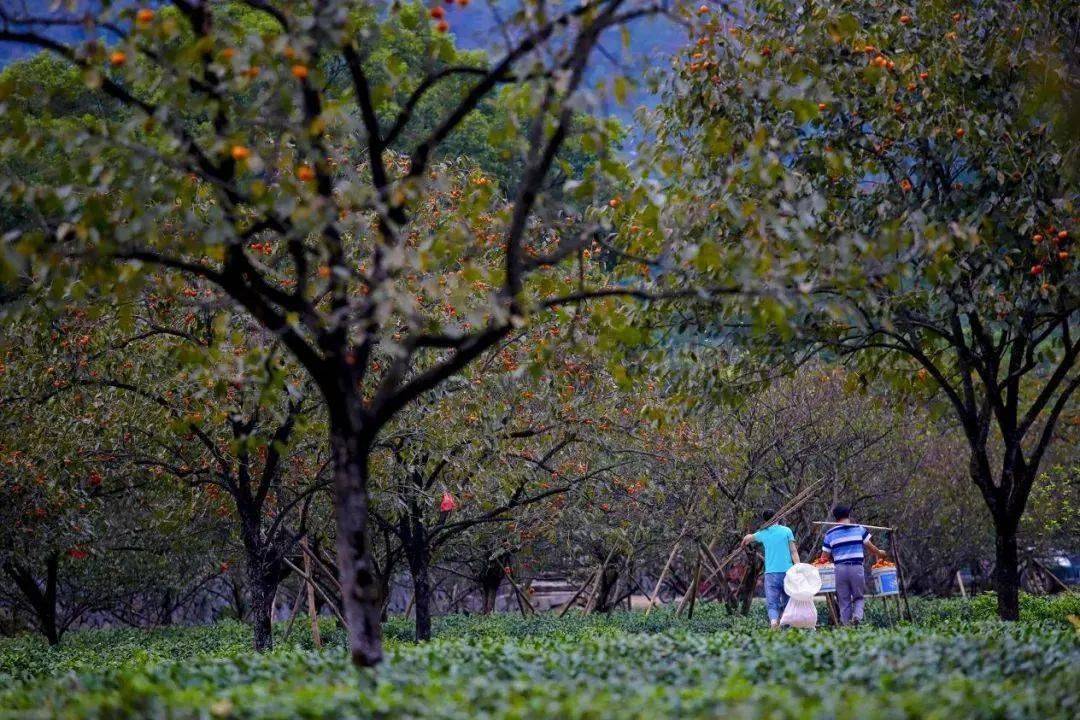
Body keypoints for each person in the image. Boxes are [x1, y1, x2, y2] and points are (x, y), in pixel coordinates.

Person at [821, 504, 888, 626]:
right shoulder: (859, 529)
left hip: (839, 569)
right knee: (858, 597)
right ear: (849, 515)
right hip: (856, 568)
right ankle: (857, 616)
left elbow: (824, 558)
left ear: (836, 518)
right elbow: (871, 548)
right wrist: (880, 553)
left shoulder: (830, 534)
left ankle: (847, 627)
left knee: (844, 600)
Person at [741, 510, 800, 629]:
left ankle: (774, 622)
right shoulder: (786, 531)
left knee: (772, 601)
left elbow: (749, 538)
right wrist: (798, 567)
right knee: (787, 599)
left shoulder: (763, 533)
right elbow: (793, 551)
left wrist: (744, 541)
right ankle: (786, 623)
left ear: (765, 521)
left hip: (771, 573)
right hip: (787, 572)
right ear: (777, 517)